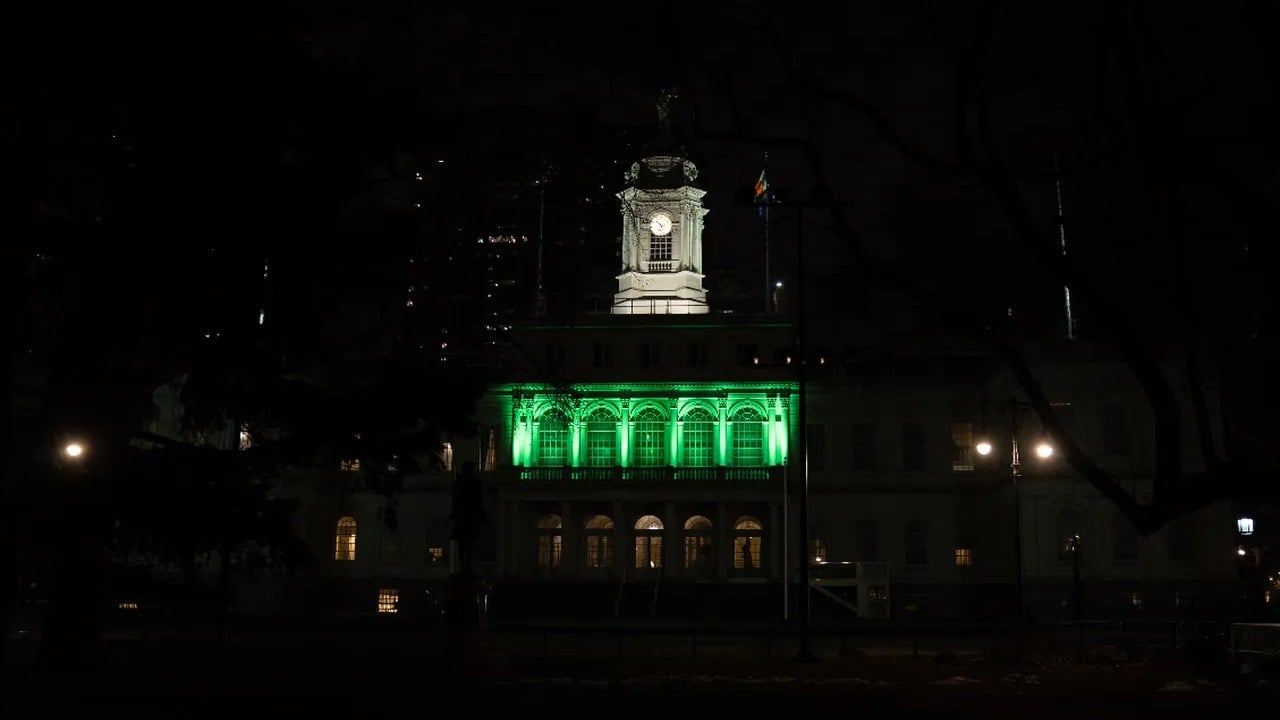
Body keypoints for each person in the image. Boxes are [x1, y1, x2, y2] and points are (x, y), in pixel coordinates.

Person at [450, 462, 487, 577]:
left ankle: (465, 566)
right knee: (468, 543)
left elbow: (456, 499)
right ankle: (466, 567)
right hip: (468, 516)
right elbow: (478, 501)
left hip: (465, 516)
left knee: (465, 543)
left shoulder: (461, 482)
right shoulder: (475, 482)